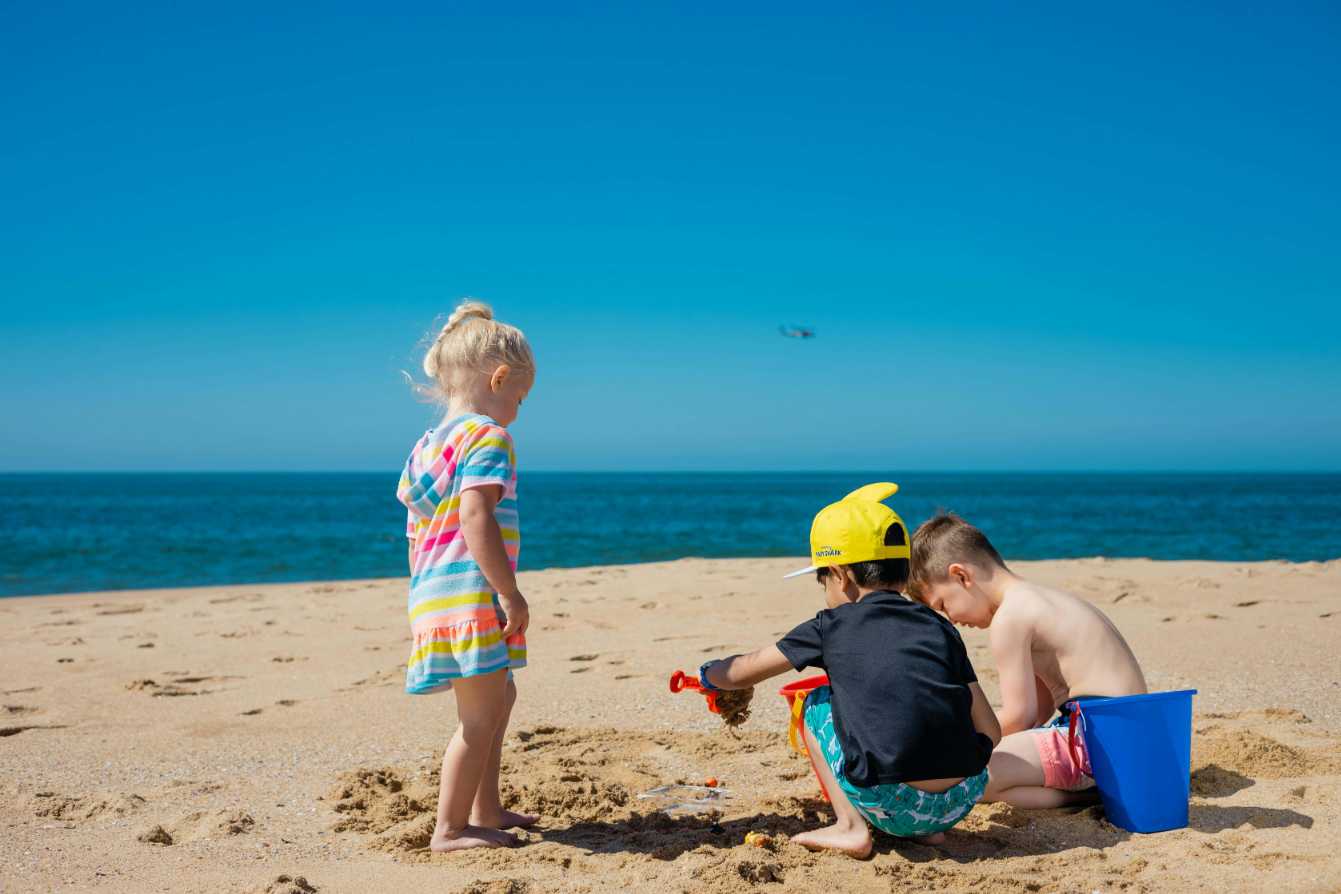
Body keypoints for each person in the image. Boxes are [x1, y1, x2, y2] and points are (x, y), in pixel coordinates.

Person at [696, 484, 1000, 857]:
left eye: (823, 579)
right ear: (903, 571)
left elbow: (745, 671)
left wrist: (710, 675)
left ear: (839, 575)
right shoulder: (941, 627)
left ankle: (852, 827)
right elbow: (990, 730)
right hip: (961, 798)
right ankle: (924, 830)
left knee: (816, 701)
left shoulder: (831, 625)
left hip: (891, 800)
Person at [397, 300, 537, 851]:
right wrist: (509, 591)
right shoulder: (488, 437)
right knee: (477, 719)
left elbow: (415, 534)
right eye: (519, 398)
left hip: (434, 595)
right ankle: (450, 830)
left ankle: (488, 808)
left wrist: (423, 603)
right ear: (499, 378)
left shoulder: (425, 447)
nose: (518, 411)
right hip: (473, 596)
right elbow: (474, 516)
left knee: (499, 694)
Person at [908, 513, 1148, 808]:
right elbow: (1040, 707)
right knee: (990, 763)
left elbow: (1019, 715)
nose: (952, 620)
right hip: (1132, 738)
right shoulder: (1041, 600)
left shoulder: (1010, 619)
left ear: (961, 576)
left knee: (974, 779)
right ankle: (1095, 792)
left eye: (944, 605)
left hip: (1098, 742)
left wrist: (960, 745)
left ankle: (1090, 797)